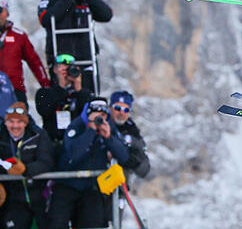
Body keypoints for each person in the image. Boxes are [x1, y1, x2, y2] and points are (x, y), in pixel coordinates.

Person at [48, 98, 129, 229]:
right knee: (57, 222)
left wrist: (109, 138)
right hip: (67, 183)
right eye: (96, 115)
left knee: (93, 222)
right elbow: (73, 155)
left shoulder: (108, 127)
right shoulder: (76, 126)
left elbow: (124, 157)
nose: (99, 119)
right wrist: (90, 131)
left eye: (102, 115)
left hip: (92, 187)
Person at [37, 0, 113, 93]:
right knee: (62, 99)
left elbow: (106, 15)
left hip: (85, 58)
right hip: (60, 59)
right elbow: (46, 20)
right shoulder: (50, 0)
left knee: (88, 98)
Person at [0, 102, 55, 229]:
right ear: (5, 123)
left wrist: (25, 170)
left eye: (19, 122)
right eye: (11, 122)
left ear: (25, 123)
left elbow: (47, 161)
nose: (15, 126)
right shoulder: (1, 136)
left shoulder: (38, 135)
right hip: (13, 200)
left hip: (40, 197)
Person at [0, 0, 50, 105]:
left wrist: (46, 85)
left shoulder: (19, 36)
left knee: (20, 121)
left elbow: (35, 62)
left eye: (0, 10)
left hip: (15, 90)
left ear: (7, 13)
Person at [35, 54, 92, 146]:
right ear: (55, 70)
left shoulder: (84, 93)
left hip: (78, 141)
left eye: (69, 67)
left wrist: (78, 88)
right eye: (63, 67)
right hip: (54, 141)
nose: (67, 70)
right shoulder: (44, 93)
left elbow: (88, 113)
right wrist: (61, 87)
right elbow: (45, 110)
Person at [109, 90, 150, 180]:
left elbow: (144, 170)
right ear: (110, 108)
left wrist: (132, 161)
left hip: (119, 186)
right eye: (118, 108)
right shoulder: (101, 125)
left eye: (126, 110)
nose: (121, 113)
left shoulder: (132, 131)